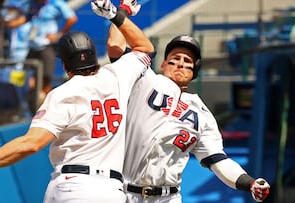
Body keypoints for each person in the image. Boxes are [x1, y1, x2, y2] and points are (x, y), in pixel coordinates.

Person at [0, 0, 154, 202]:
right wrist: (118, 14)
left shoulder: (64, 93)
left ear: (66, 66)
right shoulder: (117, 76)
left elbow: (31, 143)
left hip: (74, 186)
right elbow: (144, 47)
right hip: (111, 191)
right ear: (93, 56)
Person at [107, 3, 271, 203]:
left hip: (168, 197)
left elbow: (218, 161)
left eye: (188, 61)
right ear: (163, 64)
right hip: (123, 193)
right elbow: (115, 50)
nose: (182, 63)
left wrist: (250, 183)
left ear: (194, 72)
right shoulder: (144, 81)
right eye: (175, 58)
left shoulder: (200, 112)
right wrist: (121, 13)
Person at [26, 0, 78, 115]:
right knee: (31, 82)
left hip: (47, 47)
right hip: (33, 47)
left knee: (46, 81)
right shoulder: (32, 4)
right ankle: (33, 111)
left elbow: (72, 18)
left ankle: (47, 113)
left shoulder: (56, 3)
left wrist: (59, 35)